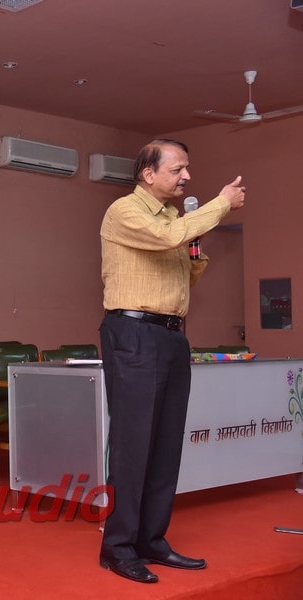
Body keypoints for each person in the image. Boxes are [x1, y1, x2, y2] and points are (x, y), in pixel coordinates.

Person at [97, 139, 245, 583]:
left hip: (170, 336)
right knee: (134, 442)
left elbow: (184, 272)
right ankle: (118, 547)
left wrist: (194, 245)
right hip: (134, 334)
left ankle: (151, 540)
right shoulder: (125, 211)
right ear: (149, 173)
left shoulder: (174, 218)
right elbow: (166, 239)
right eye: (178, 169)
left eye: (187, 169)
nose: (186, 177)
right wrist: (221, 204)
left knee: (164, 444)